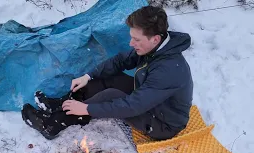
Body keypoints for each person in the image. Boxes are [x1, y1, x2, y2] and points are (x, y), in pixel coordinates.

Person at [21, 5, 193, 140]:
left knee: (111, 95)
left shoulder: (168, 70)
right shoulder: (156, 46)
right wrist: (88, 76)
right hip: (153, 101)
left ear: (155, 39)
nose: (132, 43)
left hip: (163, 123)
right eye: (131, 37)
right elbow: (120, 61)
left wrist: (88, 109)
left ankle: (52, 124)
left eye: (136, 39)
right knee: (108, 78)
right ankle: (62, 104)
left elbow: (133, 106)